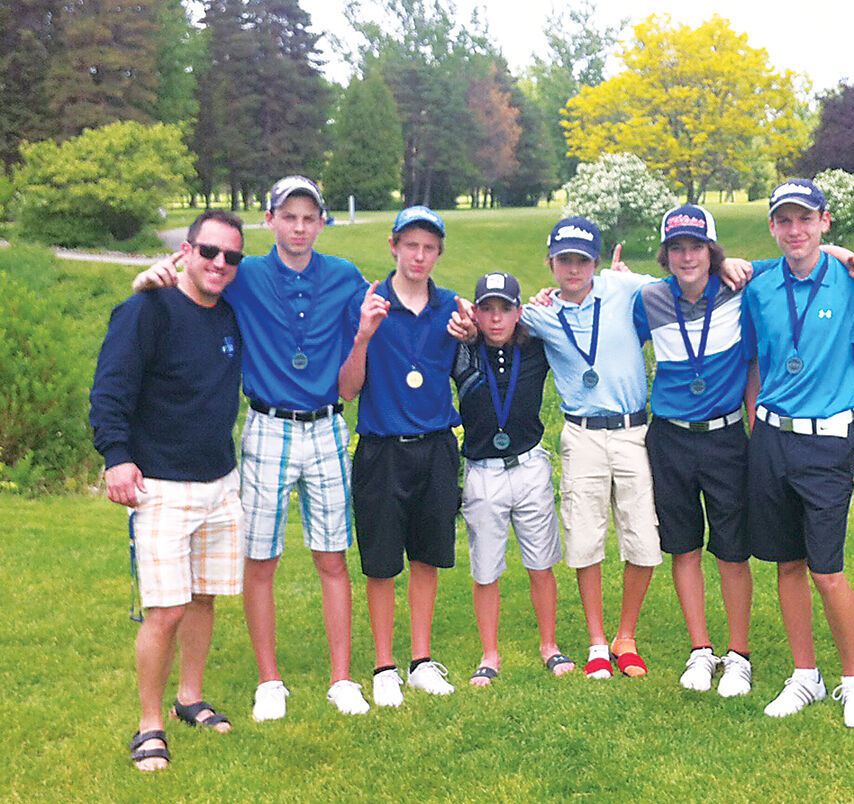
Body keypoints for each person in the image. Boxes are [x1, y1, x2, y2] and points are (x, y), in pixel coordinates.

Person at [133, 176, 371, 720]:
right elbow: (193, 277)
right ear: (271, 220)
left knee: (333, 557)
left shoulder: (342, 276)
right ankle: (270, 681)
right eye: (289, 216)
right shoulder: (246, 273)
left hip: (329, 424)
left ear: (322, 223)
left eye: (310, 217)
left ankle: (341, 679)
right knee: (260, 560)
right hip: (267, 426)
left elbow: (393, 308)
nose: (300, 227)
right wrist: (150, 276)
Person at [91, 209, 245, 771]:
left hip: (221, 484)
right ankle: (149, 724)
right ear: (185, 251)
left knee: (204, 597)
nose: (219, 265)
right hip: (160, 485)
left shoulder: (230, 317)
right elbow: (109, 390)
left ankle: (189, 698)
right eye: (209, 252)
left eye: (231, 257)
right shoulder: (145, 310)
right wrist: (116, 458)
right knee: (166, 609)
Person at [741, 178, 854, 728]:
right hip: (771, 439)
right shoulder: (758, 285)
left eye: (805, 219)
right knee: (787, 563)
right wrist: (758, 430)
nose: (795, 230)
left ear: (825, 221)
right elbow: (756, 363)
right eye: (784, 220)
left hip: (828, 442)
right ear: (773, 228)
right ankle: (805, 675)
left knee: (827, 568)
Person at [517, 217, 662, 680]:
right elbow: (492, 317)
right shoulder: (539, 313)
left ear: (597, 262)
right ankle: (598, 642)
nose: (573, 269)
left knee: (642, 536)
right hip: (581, 435)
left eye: (582, 260)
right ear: (551, 263)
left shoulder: (624, 289)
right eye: (564, 260)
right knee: (585, 538)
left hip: (633, 431)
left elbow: (687, 278)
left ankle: (627, 636)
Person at [339, 206, 462, 707]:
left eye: (429, 247)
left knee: (428, 556)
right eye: (410, 245)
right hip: (382, 448)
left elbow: (470, 365)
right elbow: (347, 390)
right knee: (382, 562)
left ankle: (420, 660)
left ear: (439, 253)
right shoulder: (366, 303)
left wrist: (472, 338)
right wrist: (365, 334)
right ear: (393, 246)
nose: (419, 255)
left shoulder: (453, 307)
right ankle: (384, 665)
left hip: (435, 447)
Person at [633, 205, 757, 696]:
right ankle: (701, 650)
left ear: (713, 252)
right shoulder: (648, 299)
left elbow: (802, 257)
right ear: (666, 255)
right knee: (683, 547)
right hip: (670, 438)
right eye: (678, 248)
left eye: (697, 247)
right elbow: (595, 301)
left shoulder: (739, 287)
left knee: (731, 549)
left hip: (726, 436)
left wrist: (845, 252)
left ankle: (739, 655)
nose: (687, 257)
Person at [449, 271, 574, 685]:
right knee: (486, 570)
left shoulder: (535, 347)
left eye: (506, 309)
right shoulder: (462, 349)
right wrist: (460, 316)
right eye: (488, 309)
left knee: (541, 564)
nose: (497, 319)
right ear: (476, 311)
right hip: (483, 472)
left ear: (520, 312)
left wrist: (550, 296)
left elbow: (570, 315)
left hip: (529, 466)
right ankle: (489, 654)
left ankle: (549, 646)